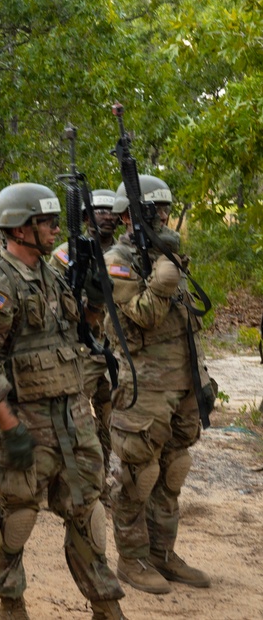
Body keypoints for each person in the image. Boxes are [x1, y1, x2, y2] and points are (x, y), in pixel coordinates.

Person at [0, 183, 125, 619]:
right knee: (16, 520)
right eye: (46, 222)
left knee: (88, 515)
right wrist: (9, 426)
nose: (54, 230)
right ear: (20, 228)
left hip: (72, 420)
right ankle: (11, 605)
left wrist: (95, 300)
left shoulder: (53, 278)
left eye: (53, 221)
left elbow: (76, 336)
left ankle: (106, 606)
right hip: (25, 426)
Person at [104, 176, 213, 595]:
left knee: (173, 471)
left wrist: (201, 377)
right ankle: (132, 559)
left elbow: (187, 323)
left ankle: (163, 554)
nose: (163, 217)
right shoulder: (117, 260)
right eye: (154, 211)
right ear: (130, 215)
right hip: (144, 385)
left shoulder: (166, 255)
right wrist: (164, 275)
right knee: (137, 475)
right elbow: (145, 316)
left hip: (182, 380)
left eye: (166, 209)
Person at [49, 189, 120, 500]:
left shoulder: (124, 255)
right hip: (80, 349)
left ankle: (100, 481)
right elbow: (50, 300)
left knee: (109, 419)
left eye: (110, 211)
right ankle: (65, 481)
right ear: (87, 217)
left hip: (115, 351)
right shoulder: (64, 255)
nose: (105, 216)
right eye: (98, 211)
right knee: (74, 419)